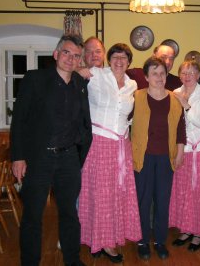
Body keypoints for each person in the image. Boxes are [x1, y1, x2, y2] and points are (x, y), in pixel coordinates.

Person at [10, 34, 92, 266]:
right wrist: (18, 156)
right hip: (39, 158)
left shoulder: (79, 84)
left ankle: (72, 260)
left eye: (76, 56)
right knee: (33, 215)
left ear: (79, 61)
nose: (70, 59)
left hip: (68, 159)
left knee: (69, 213)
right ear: (56, 54)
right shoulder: (34, 79)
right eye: (66, 53)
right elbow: (19, 120)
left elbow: (83, 122)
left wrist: (78, 156)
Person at [78, 43, 142, 263]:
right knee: (99, 194)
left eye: (124, 57)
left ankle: (107, 240)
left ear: (129, 62)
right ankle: (101, 242)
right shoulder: (97, 74)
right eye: (115, 57)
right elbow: (72, 74)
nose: (119, 61)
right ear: (109, 59)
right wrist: (80, 68)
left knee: (116, 195)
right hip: (99, 142)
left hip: (121, 145)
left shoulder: (132, 84)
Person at [131, 56, 186, 260]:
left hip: (166, 158)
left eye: (162, 73)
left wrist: (180, 151)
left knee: (163, 201)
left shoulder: (175, 99)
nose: (159, 77)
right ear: (146, 76)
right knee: (143, 201)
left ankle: (160, 241)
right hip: (143, 158)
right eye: (154, 73)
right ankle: (143, 241)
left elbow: (181, 128)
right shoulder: (135, 96)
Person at [169, 60, 200, 252]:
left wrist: (186, 105)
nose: (187, 76)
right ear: (180, 75)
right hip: (182, 150)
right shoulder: (174, 94)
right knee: (184, 193)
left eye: (191, 72)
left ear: (198, 75)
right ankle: (186, 229)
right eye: (184, 72)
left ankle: (199, 233)